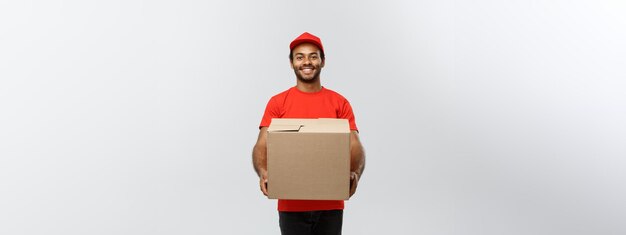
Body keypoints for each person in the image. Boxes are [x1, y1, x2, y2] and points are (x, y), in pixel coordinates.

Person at [252, 32, 366, 235]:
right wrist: (263, 172)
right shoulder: (278, 103)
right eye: (300, 56)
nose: (307, 61)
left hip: (330, 204)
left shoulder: (339, 103)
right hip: (290, 204)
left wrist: (355, 173)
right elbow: (262, 144)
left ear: (323, 61)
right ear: (291, 63)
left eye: (313, 56)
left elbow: (354, 144)